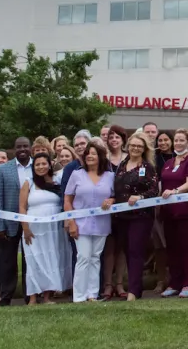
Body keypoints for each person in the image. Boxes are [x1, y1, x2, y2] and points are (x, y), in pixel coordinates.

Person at [64, 140, 115, 302]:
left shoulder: (110, 176)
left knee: (95, 257)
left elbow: (115, 195)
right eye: (87, 154)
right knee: (83, 257)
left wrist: (111, 200)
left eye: (93, 154)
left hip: (102, 223)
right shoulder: (76, 174)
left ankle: (92, 294)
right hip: (80, 223)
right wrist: (71, 222)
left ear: (100, 157)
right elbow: (67, 200)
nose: (90, 156)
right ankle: (79, 296)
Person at [19, 153, 72, 304]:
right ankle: (33, 298)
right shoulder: (28, 183)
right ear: (33, 167)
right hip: (34, 229)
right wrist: (25, 228)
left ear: (49, 164)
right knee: (34, 260)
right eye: (37, 164)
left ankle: (48, 296)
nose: (41, 167)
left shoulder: (57, 181)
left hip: (55, 229)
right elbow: (22, 207)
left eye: (44, 164)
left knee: (52, 259)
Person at [114, 132, 158, 301]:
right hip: (122, 216)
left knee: (136, 251)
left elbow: (154, 190)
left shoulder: (147, 167)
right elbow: (117, 188)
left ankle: (133, 291)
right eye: (133, 145)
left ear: (144, 149)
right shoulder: (122, 165)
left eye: (140, 146)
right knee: (126, 251)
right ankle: (135, 288)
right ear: (128, 146)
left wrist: (140, 198)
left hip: (140, 216)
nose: (136, 148)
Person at [159, 128, 188, 298]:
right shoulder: (168, 162)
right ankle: (174, 283)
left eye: (181, 140)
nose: (178, 143)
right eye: (176, 140)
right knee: (173, 249)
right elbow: (162, 184)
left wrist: (175, 191)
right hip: (168, 213)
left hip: (187, 212)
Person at [0, 137, 32, 306]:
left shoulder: (38, 166)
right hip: (9, 225)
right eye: (19, 147)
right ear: (14, 149)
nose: (22, 149)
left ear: (30, 148)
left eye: (25, 146)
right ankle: (6, 296)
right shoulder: (3, 169)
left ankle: (29, 295)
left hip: (31, 222)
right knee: (8, 262)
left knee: (30, 260)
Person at [103, 125, 128, 300]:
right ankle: (107, 285)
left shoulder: (129, 158)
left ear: (122, 139)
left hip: (126, 209)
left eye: (117, 137)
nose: (113, 140)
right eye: (111, 137)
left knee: (122, 249)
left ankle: (119, 283)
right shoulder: (103, 159)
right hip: (107, 208)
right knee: (109, 249)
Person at [152, 130, 175, 293]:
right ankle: (161, 279)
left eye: (166, 140)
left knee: (174, 243)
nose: (163, 143)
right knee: (159, 245)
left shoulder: (178, 157)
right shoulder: (152, 159)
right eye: (160, 140)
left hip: (175, 204)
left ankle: (174, 277)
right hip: (156, 205)